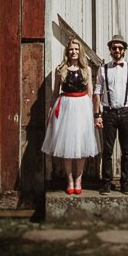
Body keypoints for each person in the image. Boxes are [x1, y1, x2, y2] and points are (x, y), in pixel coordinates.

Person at [41, 38, 99, 195]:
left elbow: (90, 93)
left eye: (76, 49)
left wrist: (93, 113)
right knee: (66, 146)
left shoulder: (86, 69)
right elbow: (55, 93)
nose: (73, 52)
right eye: (71, 49)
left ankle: (79, 180)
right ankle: (70, 180)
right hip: (65, 106)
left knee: (81, 147)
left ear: (80, 51)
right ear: (67, 51)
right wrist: (51, 108)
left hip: (81, 107)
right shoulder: (61, 69)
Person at [93, 34, 128, 195]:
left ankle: (125, 183)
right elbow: (97, 93)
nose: (117, 50)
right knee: (107, 150)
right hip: (108, 113)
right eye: (114, 47)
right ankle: (106, 182)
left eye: (120, 48)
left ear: (124, 50)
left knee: (126, 150)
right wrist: (97, 115)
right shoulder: (103, 69)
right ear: (110, 50)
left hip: (126, 113)